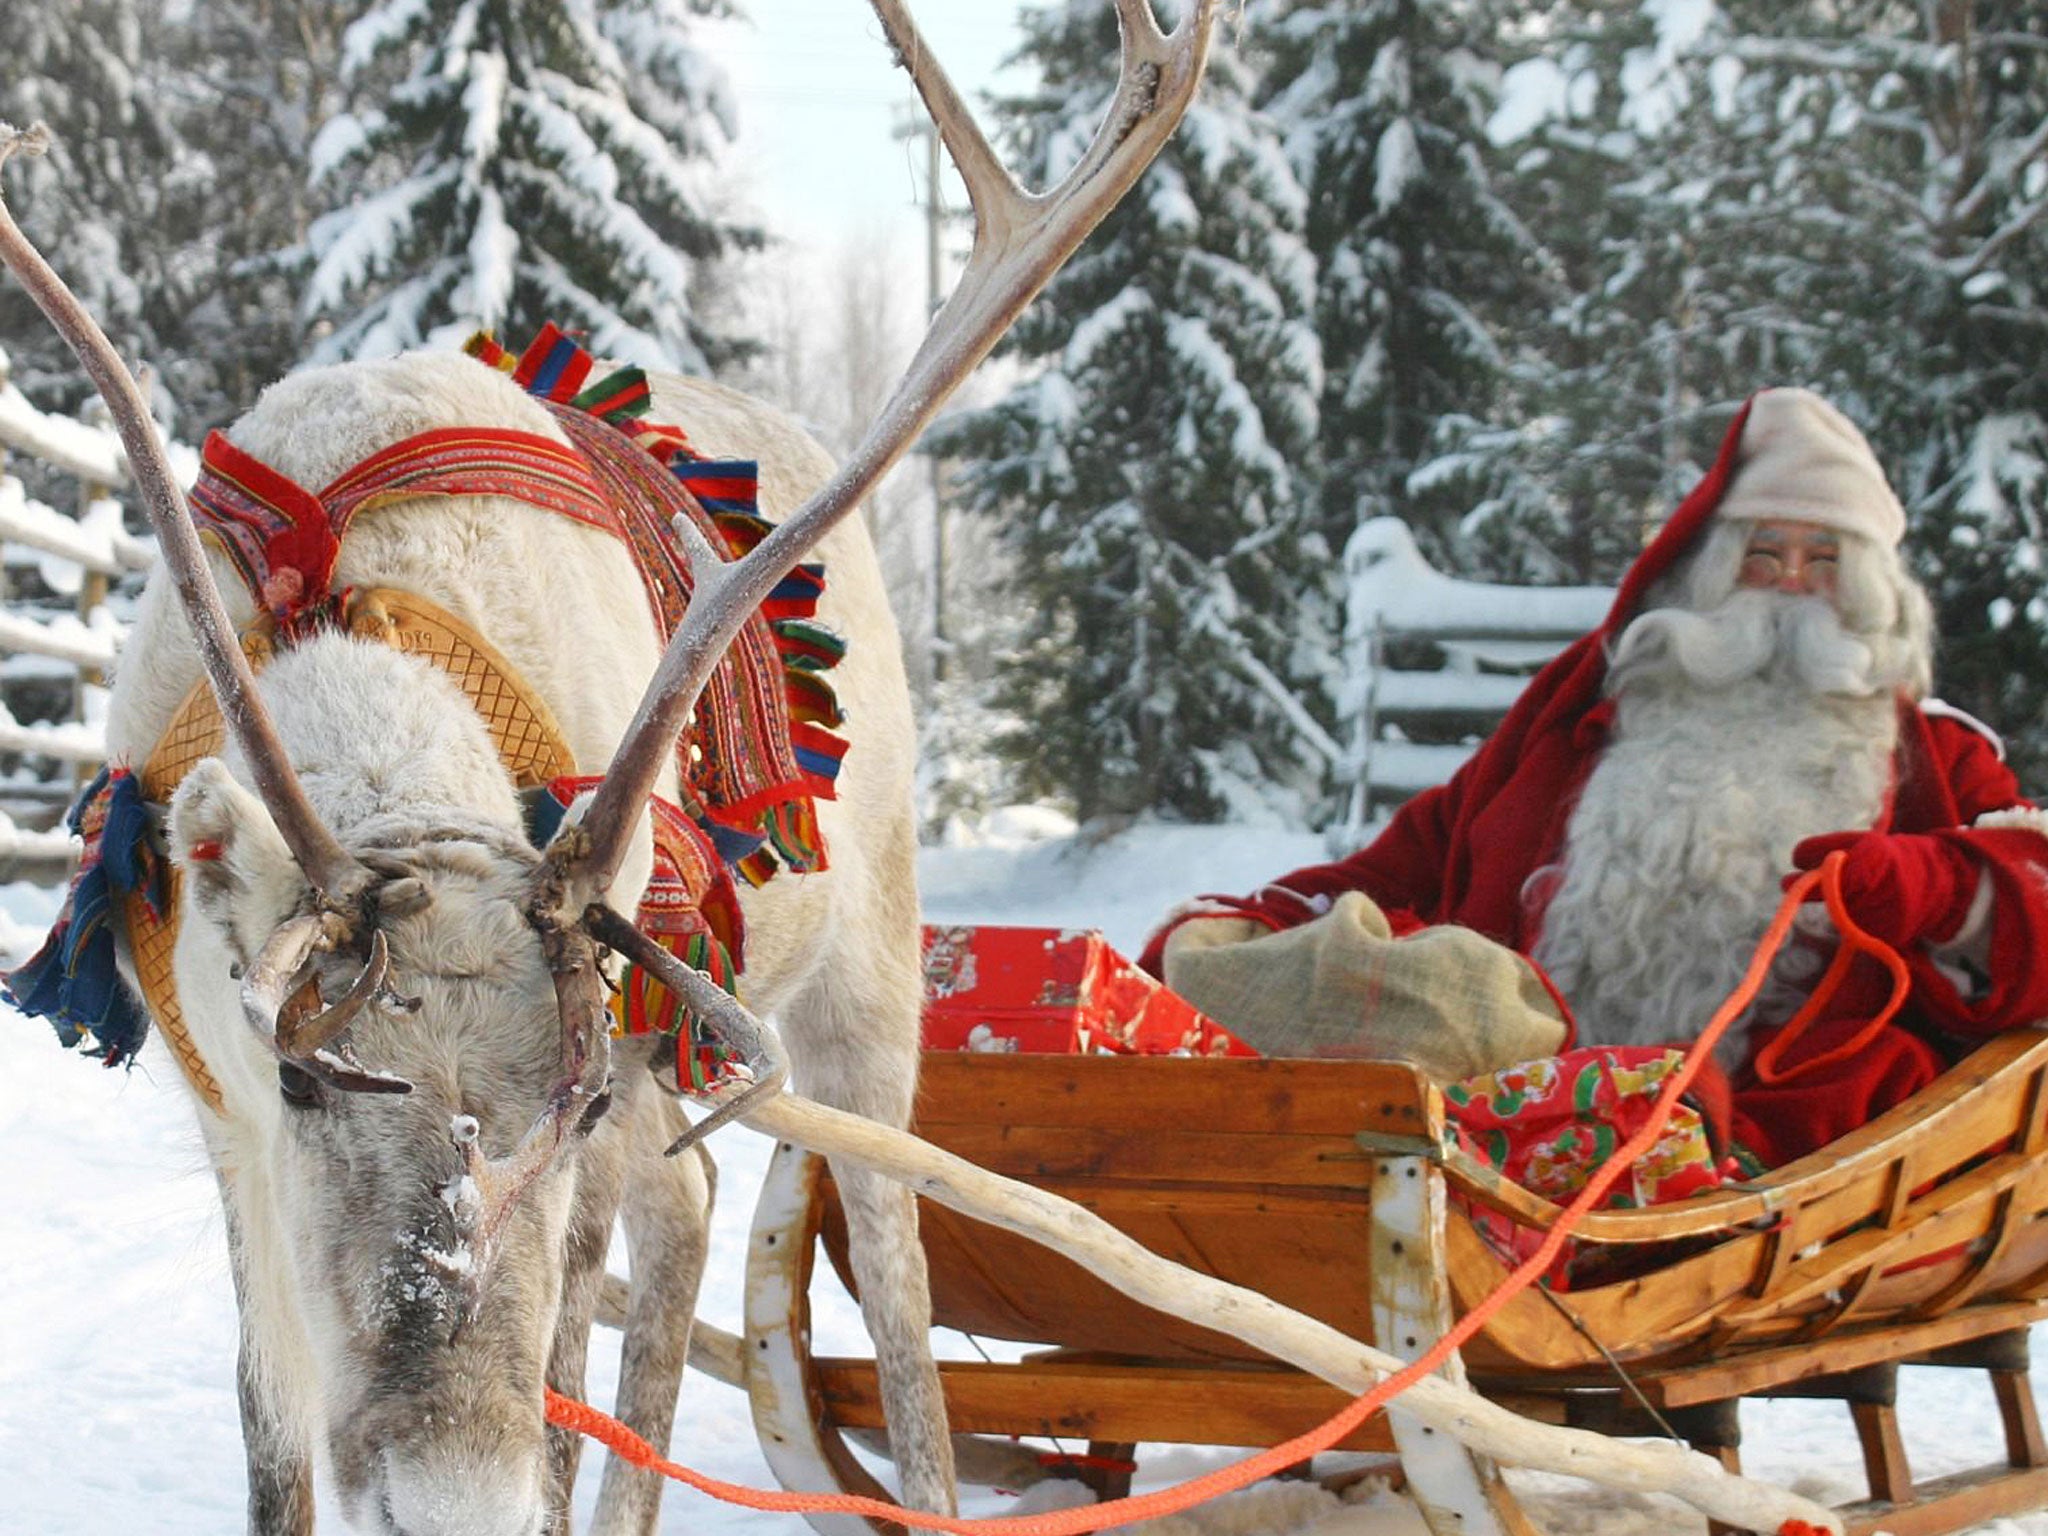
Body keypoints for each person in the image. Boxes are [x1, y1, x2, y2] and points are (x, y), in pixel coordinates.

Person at [1144, 388, 2048, 1169]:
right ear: (1708, 571)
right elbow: (1416, 858)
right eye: (1761, 555)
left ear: (1870, 589)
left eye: (1825, 561)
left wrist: (1938, 889)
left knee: (1864, 1081)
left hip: (1772, 1136)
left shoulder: (1933, 756)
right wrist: (1252, 924)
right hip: (1510, 1109)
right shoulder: (1589, 723)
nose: (1788, 585)